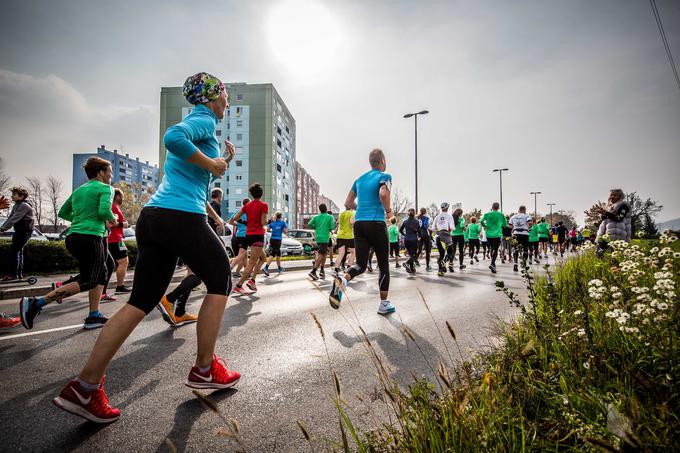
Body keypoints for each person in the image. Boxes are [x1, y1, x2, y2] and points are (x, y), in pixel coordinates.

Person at [52, 72, 239, 424]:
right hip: (178, 216)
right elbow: (173, 138)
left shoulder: (205, 128)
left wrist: (219, 162)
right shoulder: (200, 118)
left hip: (155, 217)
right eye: (226, 95)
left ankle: (85, 387)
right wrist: (212, 163)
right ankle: (204, 368)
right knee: (221, 277)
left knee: (141, 300)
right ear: (214, 96)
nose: (227, 102)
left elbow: (192, 171)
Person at [19, 157, 115, 331]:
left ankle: (94, 316)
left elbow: (63, 212)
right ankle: (36, 304)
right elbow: (104, 211)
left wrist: (81, 218)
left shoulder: (79, 190)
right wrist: (112, 219)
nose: (111, 175)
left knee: (106, 267)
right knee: (90, 280)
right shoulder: (105, 188)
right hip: (91, 237)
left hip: (74, 237)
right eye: (110, 171)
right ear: (101, 172)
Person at [329, 148, 395, 315]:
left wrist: (362, 210)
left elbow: (348, 201)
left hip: (359, 224)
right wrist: (388, 211)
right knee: (383, 266)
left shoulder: (359, 179)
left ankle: (343, 280)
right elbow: (383, 193)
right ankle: (384, 304)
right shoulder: (384, 176)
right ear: (382, 161)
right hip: (377, 224)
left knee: (360, 264)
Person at [231, 183, 269, 293]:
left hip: (248, 235)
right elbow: (263, 222)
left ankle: (252, 280)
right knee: (252, 262)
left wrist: (246, 223)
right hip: (257, 235)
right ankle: (238, 286)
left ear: (252, 194)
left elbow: (235, 218)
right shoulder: (263, 205)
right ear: (261, 194)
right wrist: (269, 221)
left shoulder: (247, 205)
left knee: (263, 259)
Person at [1, 187, 35, 282]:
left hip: (25, 231)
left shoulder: (24, 205)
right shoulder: (16, 205)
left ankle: (13, 274)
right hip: (19, 231)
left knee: (14, 251)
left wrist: (3, 228)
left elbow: (14, 218)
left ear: (21, 196)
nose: (12, 196)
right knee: (18, 252)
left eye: (14, 194)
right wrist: (2, 228)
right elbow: (10, 218)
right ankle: (18, 274)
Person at [106, 188, 132, 294]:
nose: (123, 198)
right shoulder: (112, 207)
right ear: (116, 196)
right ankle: (119, 287)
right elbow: (110, 222)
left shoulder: (115, 207)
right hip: (115, 239)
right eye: (122, 195)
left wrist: (123, 224)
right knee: (124, 262)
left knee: (111, 265)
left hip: (115, 238)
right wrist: (123, 224)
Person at [308, 203, 335, 280]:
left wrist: (316, 226)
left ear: (320, 210)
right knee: (321, 254)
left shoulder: (316, 217)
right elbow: (332, 227)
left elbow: (309, 224)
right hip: (325, 237)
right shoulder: (330, 217)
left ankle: (322, 270)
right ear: (326, 209)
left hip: (318, 237)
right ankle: (313, 271)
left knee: (324, 254)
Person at [480, 202, 507, 274]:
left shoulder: (487, 214)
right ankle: (492, 263)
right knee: (495, 249)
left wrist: (485, 226)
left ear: (492, 207)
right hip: (497, 234)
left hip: (488, 234)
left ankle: (493, 264)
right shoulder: (501, 215)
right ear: (498, 208)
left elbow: (481, 221)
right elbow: (505, 225)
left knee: (492, 248)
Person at [431, 203, 455, 276]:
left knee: (441, 254)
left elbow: (433, 228)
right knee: (451, 252)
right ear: (447, 208)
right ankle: (444, 261)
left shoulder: (437, 216)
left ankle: (440, 271)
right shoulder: (449, 216)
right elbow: (452, 227)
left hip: (438, 236)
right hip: (445, 235)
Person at [229, 198, 250, 277]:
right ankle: (230, 267)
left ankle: (247, 273)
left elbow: (230, 221)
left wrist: (238, 225)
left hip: (238, 235)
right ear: (248, 204)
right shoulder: (249, 212)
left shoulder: (238, 211)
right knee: (242, 255)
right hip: (245, 235)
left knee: (245, 256)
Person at [263, 211, 287, 276]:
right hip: (278, 240)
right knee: (273, 253)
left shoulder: (272, 223)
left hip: (272, 239)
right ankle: (266, 267)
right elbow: (285, 232)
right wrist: (280, 230)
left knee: (278, 253)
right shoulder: (283, 223)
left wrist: (273, 231)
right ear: (281, 217)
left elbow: (267, 230)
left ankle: (279, 268)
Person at [509, 206, 532, 272]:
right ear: (525, 210)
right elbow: (530, 223)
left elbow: (510, 226)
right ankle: (524, 263)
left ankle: (515, 263)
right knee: (525, 249)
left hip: (516, 234)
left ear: (518, 210)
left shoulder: (513, 217)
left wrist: (513, 230)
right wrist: (529, 228)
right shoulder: (527, 216)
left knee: (515, 249)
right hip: (525, 234)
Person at [334, 208, 355, 274]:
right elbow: (352, 222)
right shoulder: (352, 213)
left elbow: (338, 223)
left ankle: (336, 270)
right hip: (349, 236)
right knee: (353, 252)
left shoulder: (341, 214)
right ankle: (348, 268)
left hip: (340, 235)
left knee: (341, 254)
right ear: (351, 208)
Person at [399, 208, 420, 274]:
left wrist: (405, 235)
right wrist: (419, 236)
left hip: (407, 239)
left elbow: (400, 230)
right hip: (414, 239)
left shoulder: (405, 222)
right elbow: (419, 231)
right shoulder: (416, 222)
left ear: (408, 214)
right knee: (414, 255)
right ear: (414, 214)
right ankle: (407, 263)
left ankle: (412, 269)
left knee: (411, 254)